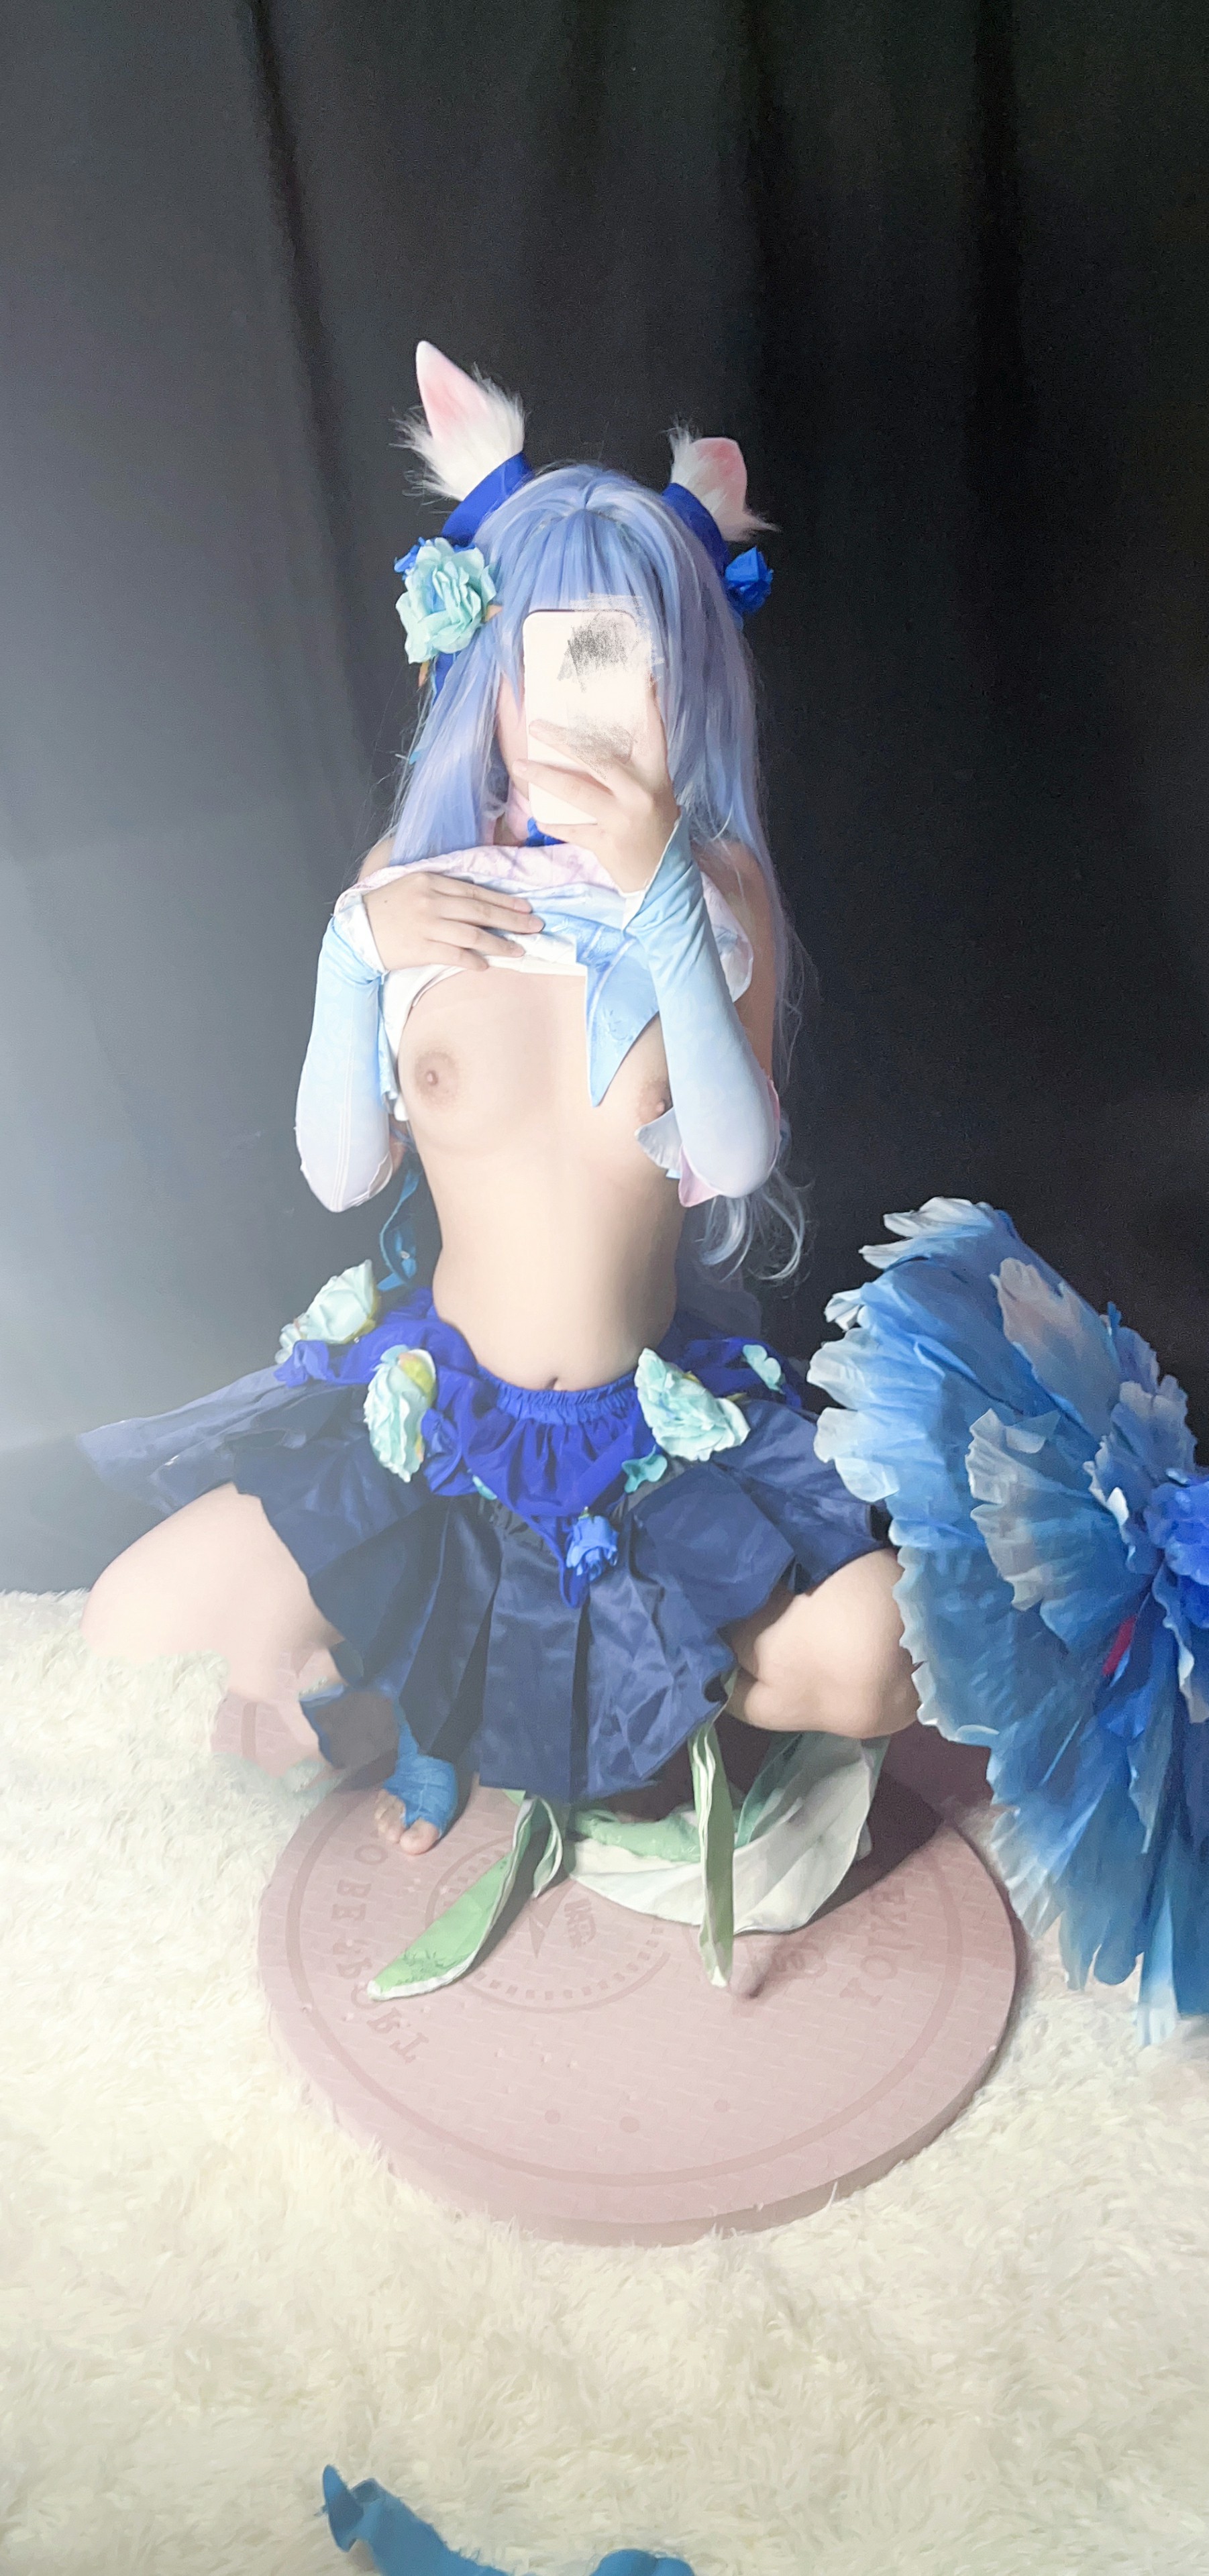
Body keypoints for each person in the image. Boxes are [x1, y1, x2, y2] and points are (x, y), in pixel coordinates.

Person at [80, 343, 916, 1929]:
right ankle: (469, 1681)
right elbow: (344, 1174)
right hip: (437, 1420)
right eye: (553, 657)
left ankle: (600, 1691)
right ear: (488, 666)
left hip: (643, 1440)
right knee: (142, 1630)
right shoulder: (410, 878)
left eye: (625, 661)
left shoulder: (714, 893)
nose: (583, 708)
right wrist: (350, 954)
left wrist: (661, 906)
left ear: (682, 677)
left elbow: (733, 1162)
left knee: (877, 1666)